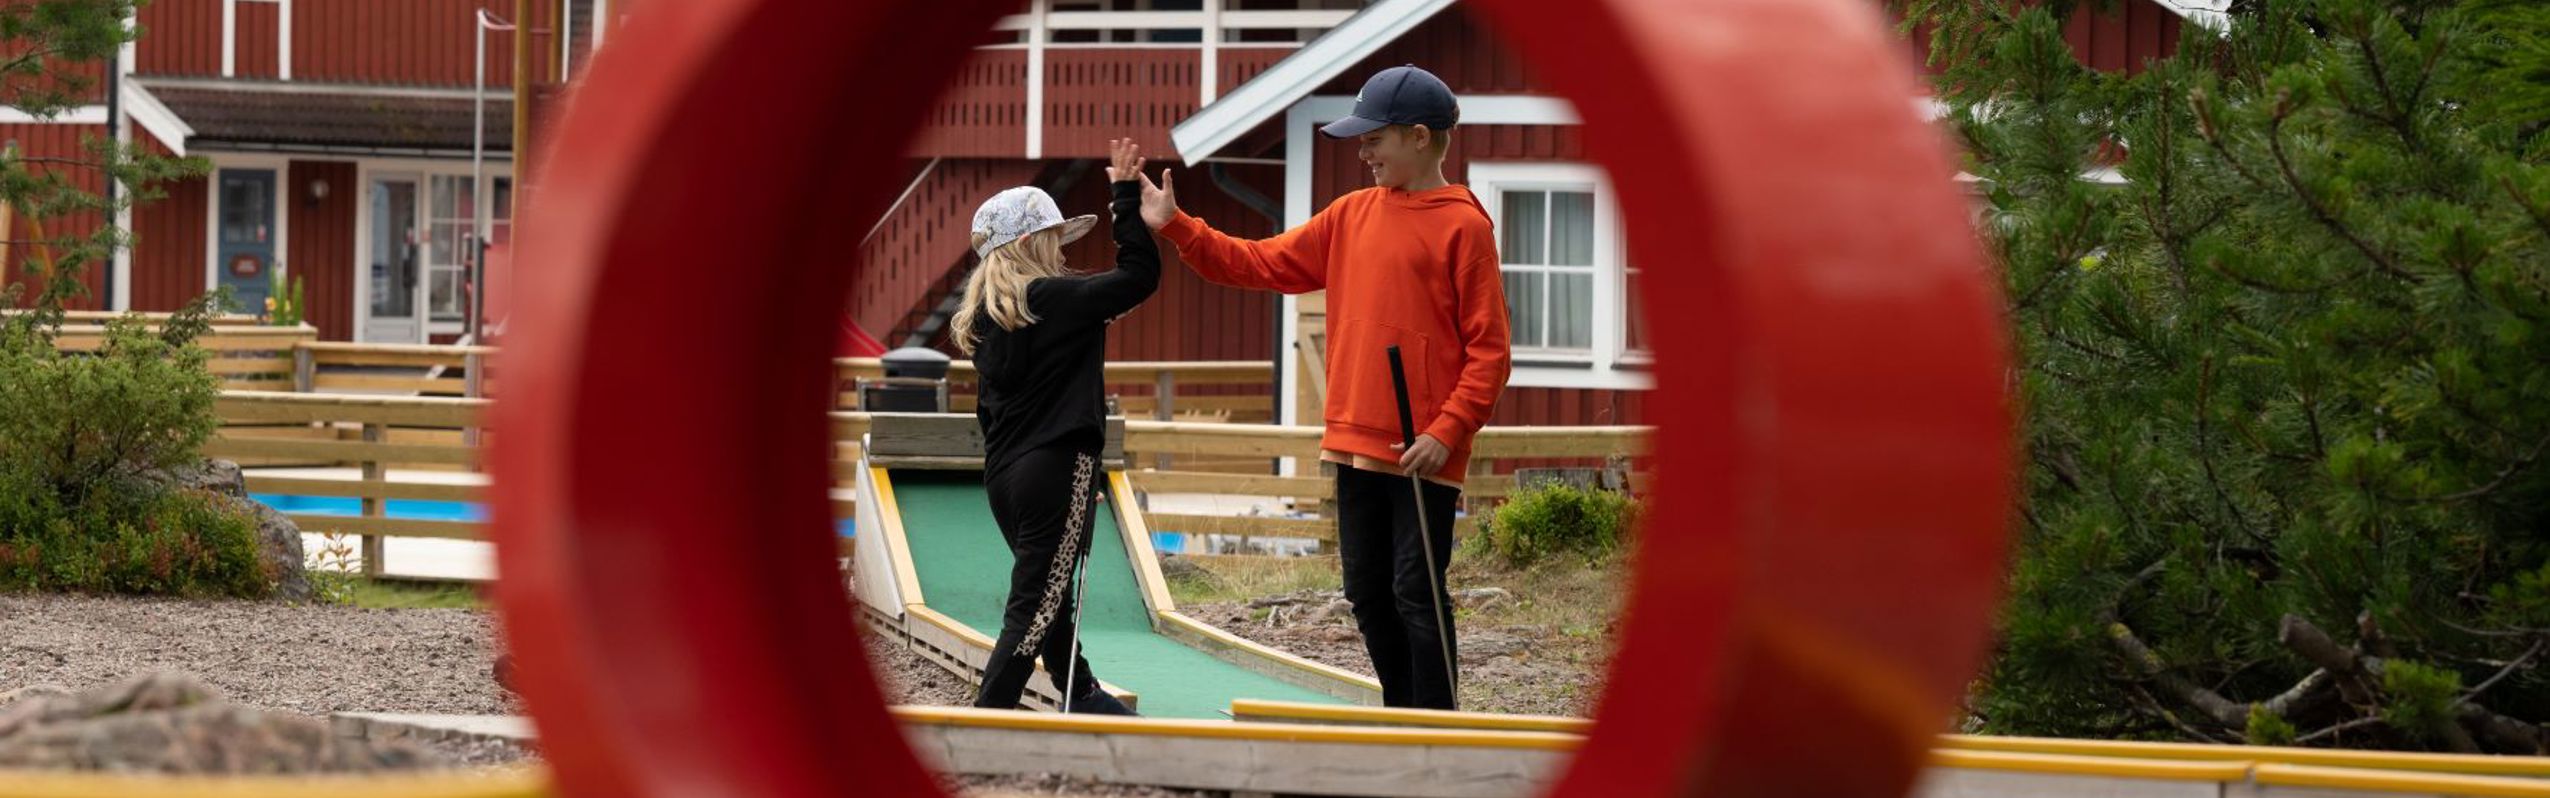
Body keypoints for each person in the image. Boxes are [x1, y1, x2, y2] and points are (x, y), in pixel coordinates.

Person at [1138, 66, 1510, 710]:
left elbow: (1490, 352)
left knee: (1416, 592)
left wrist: (1444, 432)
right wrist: (1179, 226)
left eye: (1374, 140)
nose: (1362, 153)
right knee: (1366, 590)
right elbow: (1261, 262)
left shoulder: (1464, 227)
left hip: (1422, 449)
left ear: (1419, 138)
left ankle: (1444, 726)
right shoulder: (1350, 214)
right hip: (1351, 438)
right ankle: (1403, 713)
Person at [957, 137, 1165, 715]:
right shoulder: (1054, 297)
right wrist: (1125, 197)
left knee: (1051, 600)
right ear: (1029, 244)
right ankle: (989, 717)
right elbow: (1139, 274)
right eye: (1053, 239)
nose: (1060, 251)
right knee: (1035, 607)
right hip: (1056, 468)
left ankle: (1083, 693)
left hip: (1003, 477)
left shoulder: (983, 318)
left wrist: (1093, 313)